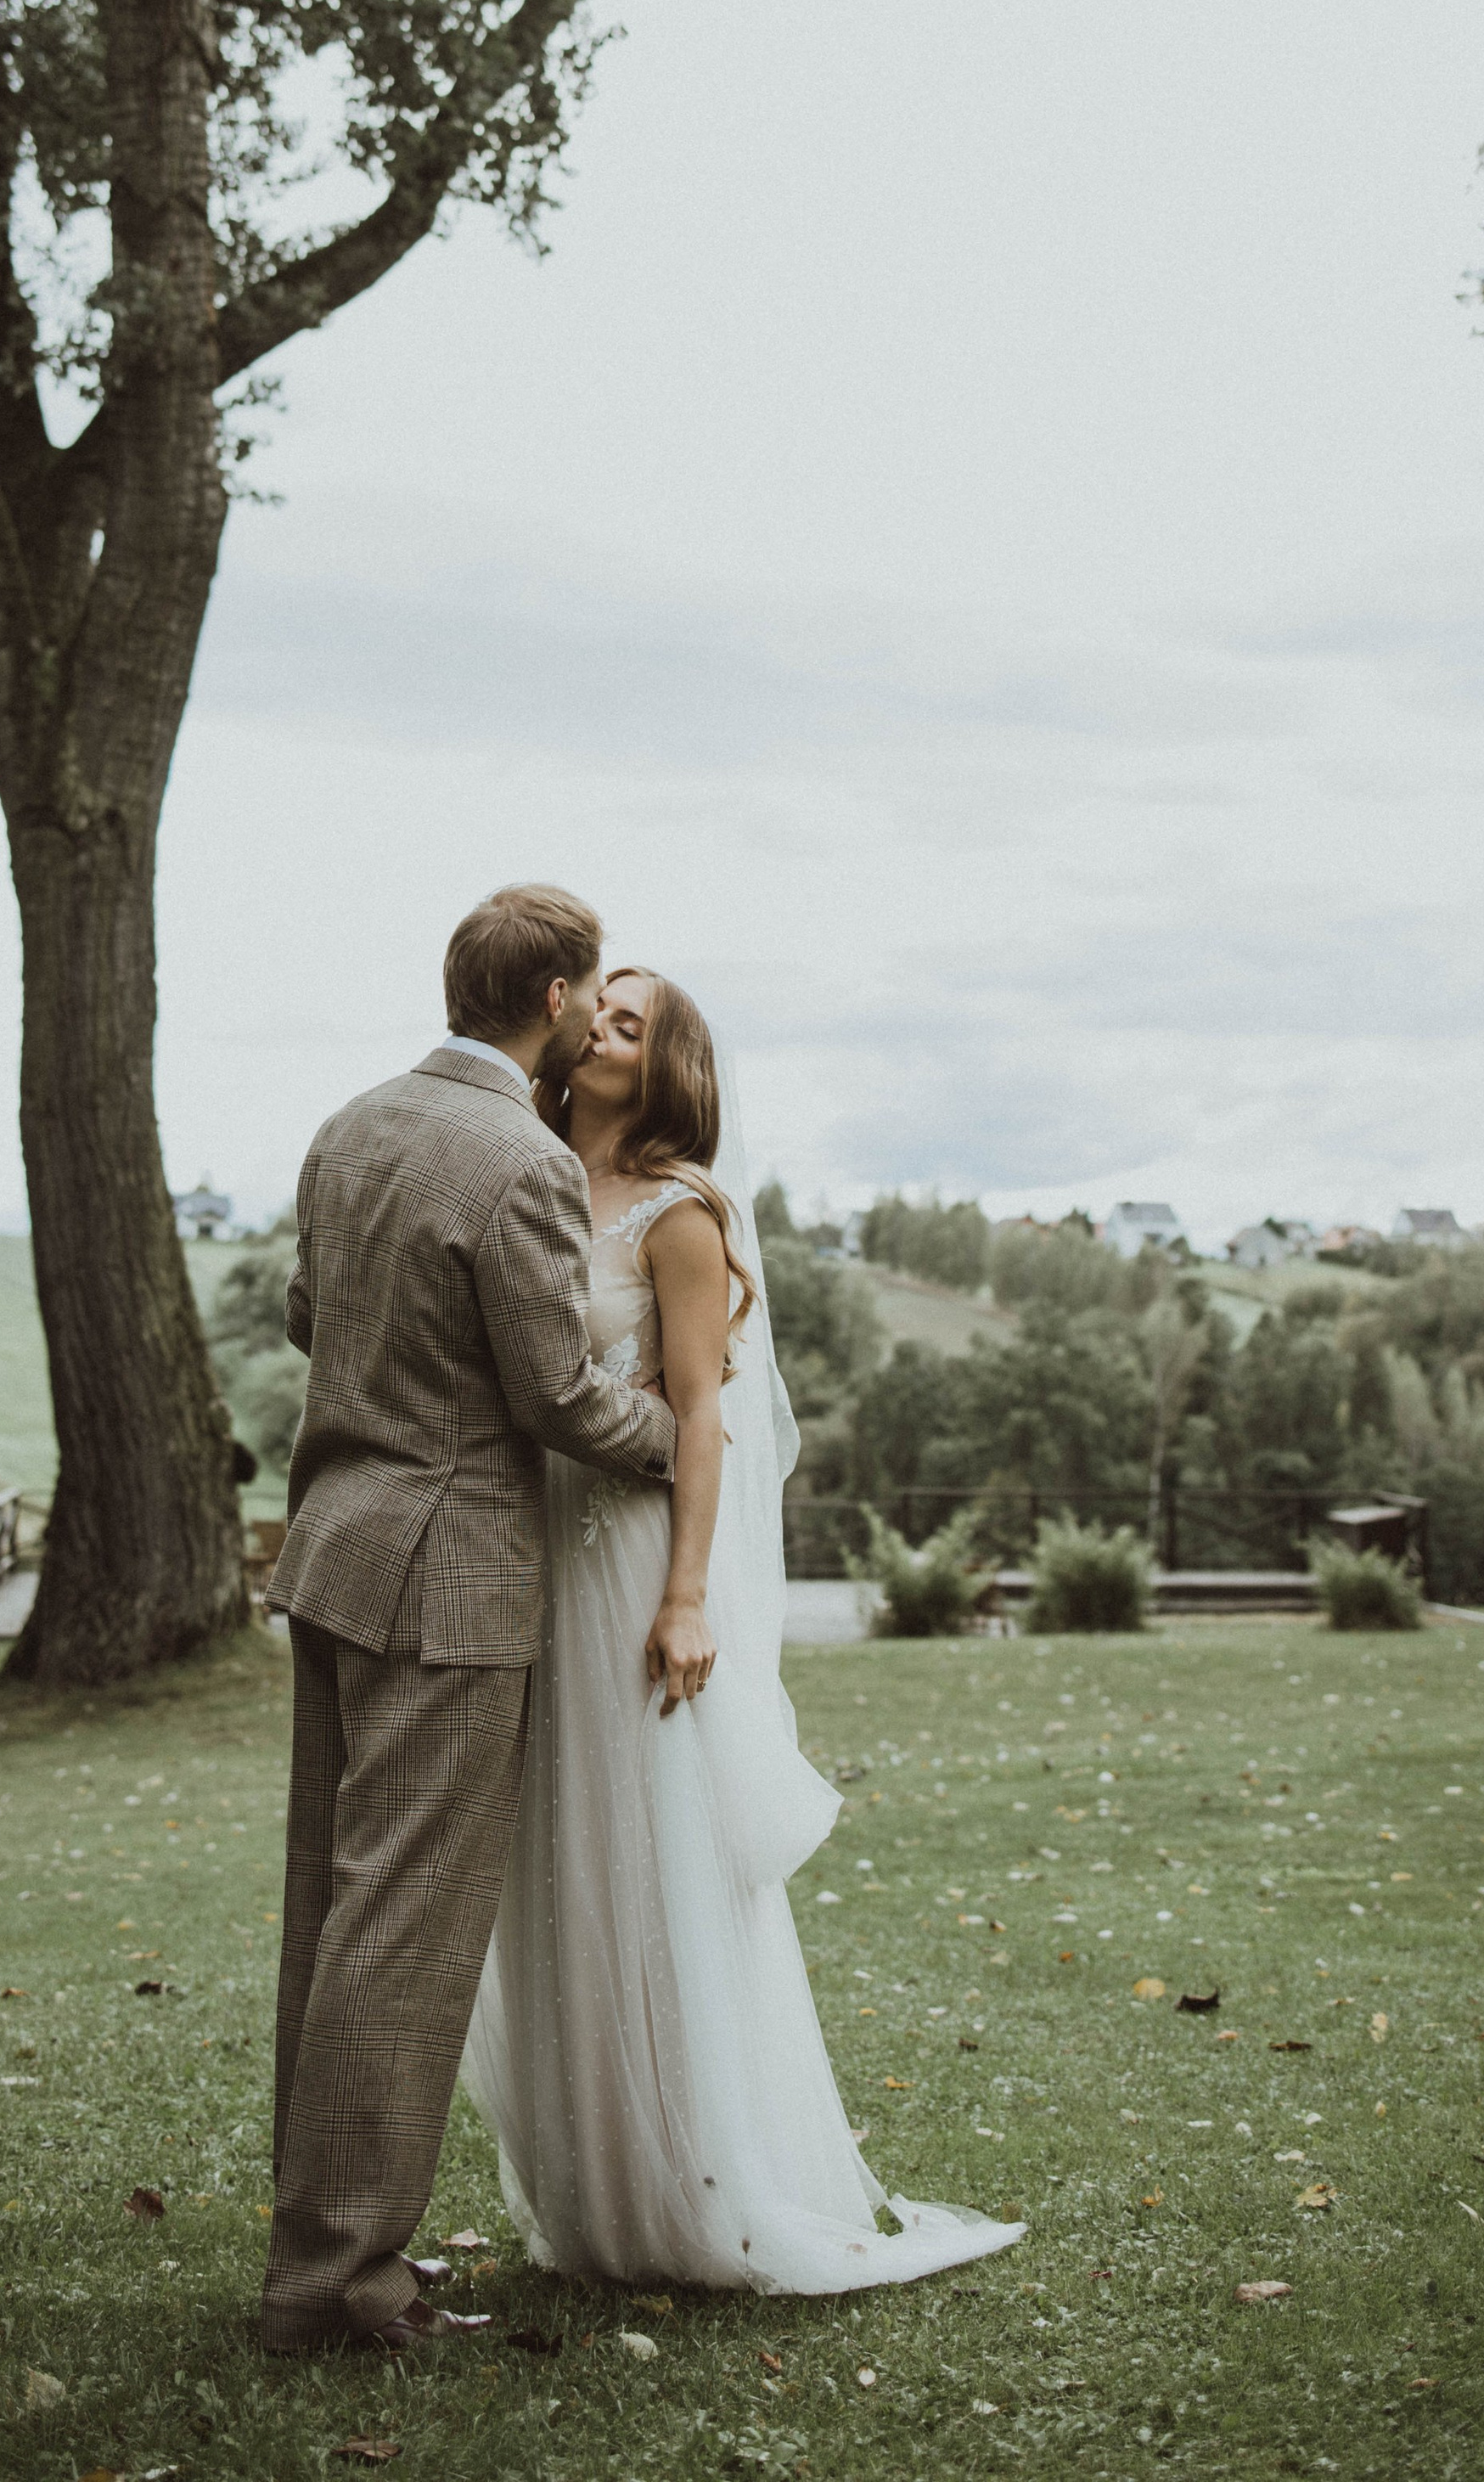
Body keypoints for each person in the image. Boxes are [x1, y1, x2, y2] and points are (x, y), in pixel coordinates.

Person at [463, 965, 1024, 2291]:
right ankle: (593, 2191)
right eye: (597, 1004)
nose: (601, 1020)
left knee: (650, 1863)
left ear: (669, 1064)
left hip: (630, 1561)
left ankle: (698, 2183)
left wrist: (685, 1596)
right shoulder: (528, 1176)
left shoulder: (682, 1215)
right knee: (556, 1862)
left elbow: (706, 1417)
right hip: (529, 1553)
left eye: (632, 1018)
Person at [259, 886, 680, 2356]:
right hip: (445, 1581)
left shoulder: (353, 1125)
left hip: (330, 1553)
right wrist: (676, 1438)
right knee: (404, 1935)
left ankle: (319, 2249)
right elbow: (558, 1395)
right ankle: (340, 2289)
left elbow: (311, 1317)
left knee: (331, 1915)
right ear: (557, 1003)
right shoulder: (521, 1160)